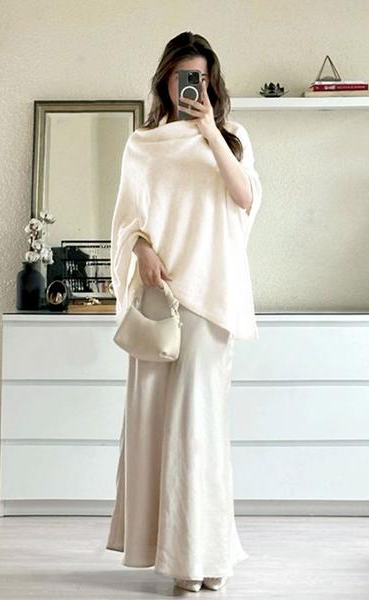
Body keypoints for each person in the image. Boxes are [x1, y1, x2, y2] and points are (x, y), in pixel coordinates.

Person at [106, 31, 262, 593]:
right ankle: (174, 556)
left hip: (209, 298)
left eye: (199, 76)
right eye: (180, 76)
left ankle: (204, 558)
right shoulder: (143, 144)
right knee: (154, 426)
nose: (189, 85)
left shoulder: (232, 137)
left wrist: (209, 132)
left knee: (198, 429)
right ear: (165, 80)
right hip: (160, 297)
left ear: (211, 81)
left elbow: (245, 198)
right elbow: (127, 220)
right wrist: (141, 250)